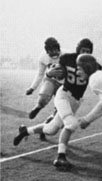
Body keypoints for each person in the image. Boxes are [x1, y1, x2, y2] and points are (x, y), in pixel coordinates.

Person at [13, 39, 95, 171]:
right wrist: (48, 73)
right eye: (83, 50)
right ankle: (60, 157)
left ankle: (25, 131)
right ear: (77, 49)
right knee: (71, 124)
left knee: (51, 129)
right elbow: (53, 71)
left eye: (88, 52)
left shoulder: (92, 64)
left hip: (76, 101)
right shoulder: (67, 58)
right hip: (63, 95)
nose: (84, 53)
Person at [26, 37, 64, 120]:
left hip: (64, 83)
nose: (54, 53)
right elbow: (40, 74)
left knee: (60, 104)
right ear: (47, 51)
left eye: (55, 50)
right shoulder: (43, 57)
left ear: (59, 48)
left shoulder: (66, 55)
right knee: (43, 98)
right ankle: (38, 107)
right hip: (51, 79)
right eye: (51, 51)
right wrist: (32, 88)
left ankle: (53, 116)